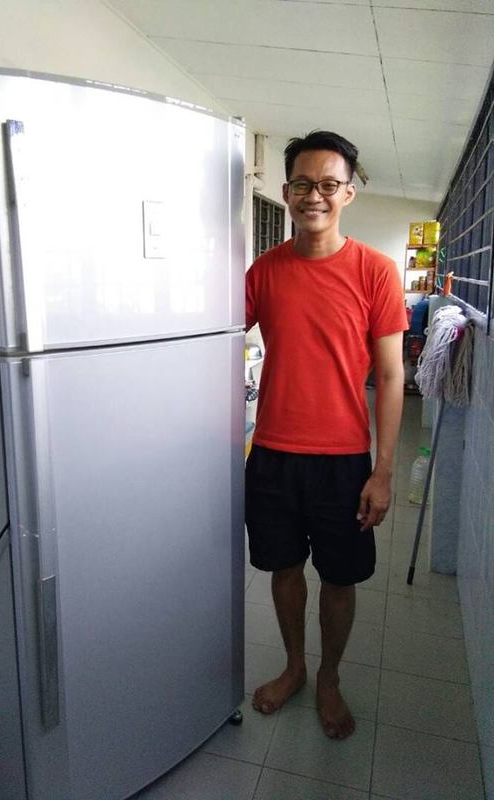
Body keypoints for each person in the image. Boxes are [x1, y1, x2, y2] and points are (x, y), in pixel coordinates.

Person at [245, 130, 407, 740]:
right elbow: (213, 339)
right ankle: (294, 668)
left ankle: (330, 677)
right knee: (283, 570)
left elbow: (392, 376)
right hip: (273, 456)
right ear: (286, 192)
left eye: (329, 184)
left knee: (339, 579)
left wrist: (383, 472)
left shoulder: (375, 272)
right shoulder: (264, 271)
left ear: (349, 193)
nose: (316, 195)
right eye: (304, 184)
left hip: (343, 462)